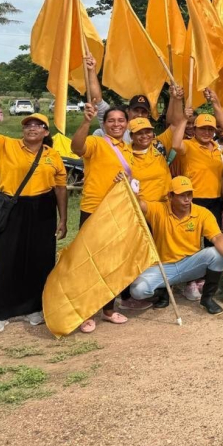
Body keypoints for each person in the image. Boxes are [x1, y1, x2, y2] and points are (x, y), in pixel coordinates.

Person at [0, 91, 67, 333]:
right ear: (23, 130)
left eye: (38, 125)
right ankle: (1, 313)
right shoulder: (5, 144)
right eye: (28, 124)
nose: (32, 128)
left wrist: (63, 219)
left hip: (43, 209)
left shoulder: (54, 156)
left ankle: (34, 308)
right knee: (7, 259)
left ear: (46, 133)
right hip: (12, 207)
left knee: (40, 260)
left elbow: (61, 188)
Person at [130, 176, 223, 315]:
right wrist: (133, 190)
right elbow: (139, 204)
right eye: (182, 195)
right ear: (170, 196)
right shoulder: (158, 209)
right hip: (163, 267)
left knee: (217, 254)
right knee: (137, 290)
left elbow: (217, 237)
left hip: (191, 264)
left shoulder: (202, 213)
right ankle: (163, 291)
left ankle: (207, 299)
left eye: (189, 194)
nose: (187, 199)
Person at [71, 102, 133, 329]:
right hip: (94, 210)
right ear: (104, 124)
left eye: (120, 120)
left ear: (127, 124)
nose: (116, 124)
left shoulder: (128, 148)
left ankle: (108, 309)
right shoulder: (96, 142)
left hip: (116, 212)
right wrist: (86, 121)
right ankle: (84, 313)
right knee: (89, 263)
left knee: (111, 263)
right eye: (111, 120)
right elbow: (77, 147)